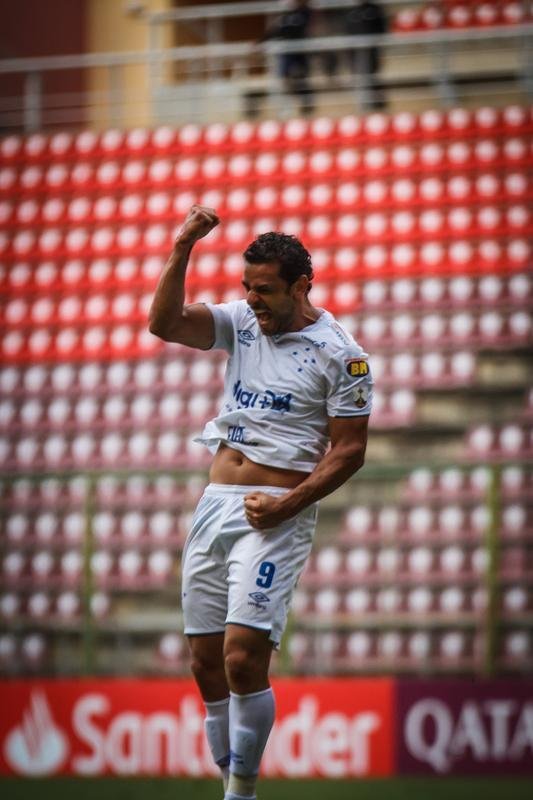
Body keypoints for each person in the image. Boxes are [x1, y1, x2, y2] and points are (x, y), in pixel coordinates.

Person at [149, 205, 373, 800]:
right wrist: (182, 247)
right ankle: (231, 780)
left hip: (276, 513)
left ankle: (241, 794)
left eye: (265, 289)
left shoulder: (342, 355)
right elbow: (164, 323)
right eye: (247, 287)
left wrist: (287, 506)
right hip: (216, 503)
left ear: (301, 287)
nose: (252, 300)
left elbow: (350, 451)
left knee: (242, 660)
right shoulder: (242, 322)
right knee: (204, 664)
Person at [259, 0, 315, 116]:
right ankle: (289, 103)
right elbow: (273, 31)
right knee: (284, 77)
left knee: (302, 77)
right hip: (286, 53)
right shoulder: (282, 19)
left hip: (300, 51)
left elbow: (307, 10)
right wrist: (261, 42)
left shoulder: (303, 14)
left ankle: (306, 103)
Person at [345, 0, 388, 110]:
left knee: (373, 76)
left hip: (372, 49)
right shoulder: (352, 12)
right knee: (359, 77)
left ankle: (379, 103)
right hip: (356, 50)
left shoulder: (375, 9)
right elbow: (348, 31)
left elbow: (382, 29)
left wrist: (379, 46)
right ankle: (364, 103)